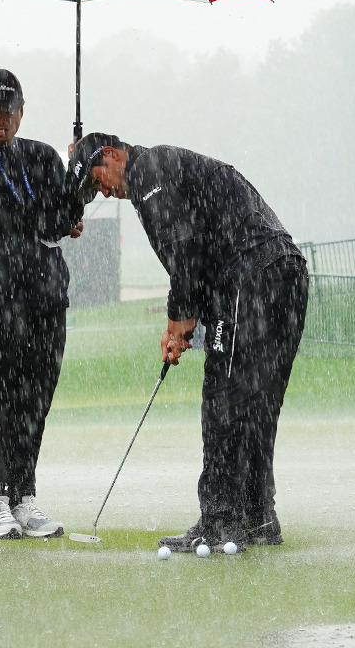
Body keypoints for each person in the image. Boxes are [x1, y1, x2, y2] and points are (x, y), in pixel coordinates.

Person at [68, 132, 308, 552]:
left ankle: (220, 522)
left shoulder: (147, 172)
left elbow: (186, 252)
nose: (102, 190)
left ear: (111, 154)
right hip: (283, 276)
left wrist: (179, 323)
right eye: (93, 190)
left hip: (250, 278)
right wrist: (180, 323)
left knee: (224, 397)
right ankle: (256, 518)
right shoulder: (161, 171)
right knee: (257, 402)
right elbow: (195, 255)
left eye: (97, 179)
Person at [0, 67, 85, 540]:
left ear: (21, 112)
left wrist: (78, 172)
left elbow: (66, 216)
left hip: (46, 298)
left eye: (6, 112)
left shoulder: (43, 157)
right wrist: (50, 218)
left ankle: (25, 497)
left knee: (35, 400)